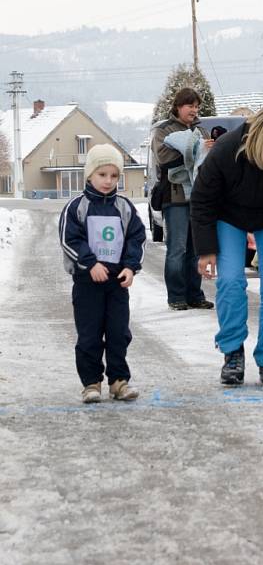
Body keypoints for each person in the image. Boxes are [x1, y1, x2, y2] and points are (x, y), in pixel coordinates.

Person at [191, 106, 263, 388]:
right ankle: (232, 353)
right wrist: (206, 248)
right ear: (258, 140)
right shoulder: (226, 150)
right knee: (231, 281)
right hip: (228, 216)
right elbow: (203, 200)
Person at [58, 144, 146, 403]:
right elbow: (69, 239)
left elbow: (137, 238)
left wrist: (130, 267)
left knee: (119, 333)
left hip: (117, 283)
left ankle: (119, 380)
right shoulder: (77, 207)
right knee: (90, 334)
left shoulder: (125, 207)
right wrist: (90, 264)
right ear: (89, 175)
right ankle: (91, 383)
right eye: (102, 175)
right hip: (88, 283)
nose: (108, 181)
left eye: (114, 176)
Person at [152, 87, 214, 311]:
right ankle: (176, 296)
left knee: (196, 248)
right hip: (174, 196)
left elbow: (208, 164)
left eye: (197, 106)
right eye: (190, 106)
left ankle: (195, 295)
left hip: (198, 198)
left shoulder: (202, 131)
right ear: (178, 106)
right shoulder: (163, 131)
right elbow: (164, 159)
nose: (194, 110)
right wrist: (197, 149)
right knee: (177, 248)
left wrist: (209, 152)